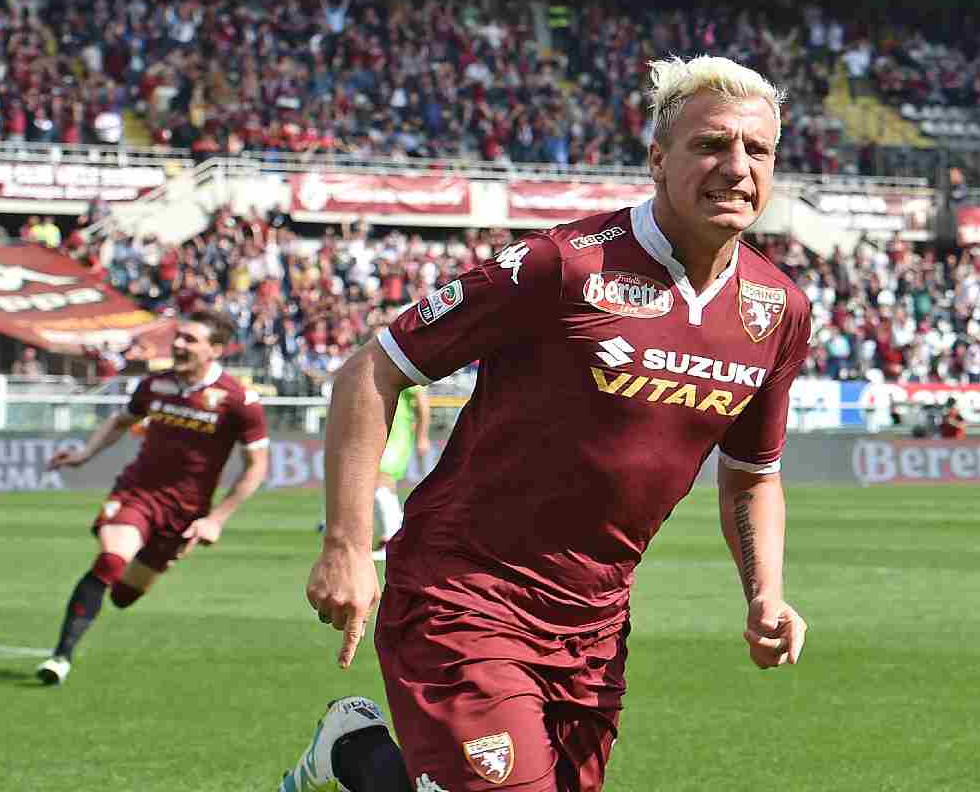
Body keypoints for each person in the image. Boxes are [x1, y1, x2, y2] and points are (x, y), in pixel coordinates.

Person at [284, 55, 813, 792]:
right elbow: (371, 371)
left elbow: (753, 474)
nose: (736, 166)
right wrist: (345, 545)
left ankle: (353, 753)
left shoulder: (777, 309)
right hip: (464, 589)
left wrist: (765, 593)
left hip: (594, 626)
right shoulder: (560, 265)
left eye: (756, 150)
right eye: (711, 145)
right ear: (659, 160)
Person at [36, 309, 269, 686]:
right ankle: (60, 657)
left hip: (185, 512)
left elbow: (256, 466)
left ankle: (110, 594)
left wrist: (216, 519)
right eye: (178, 337)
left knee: (124, 595)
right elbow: (121, 421)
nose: (178, 344)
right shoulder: (154, 385)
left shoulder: (238, 400)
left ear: (215, 350)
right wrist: (84, 454)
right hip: (137, 494)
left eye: (190, 340)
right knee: (111, 560)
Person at [314, 385, 432, 563]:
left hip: (397, 437)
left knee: (379, 482)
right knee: (383, 487)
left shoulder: (404, 370)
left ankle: (390, 540)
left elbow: (423, 405)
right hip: (379, 435)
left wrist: (422, 436)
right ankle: (393, 539)